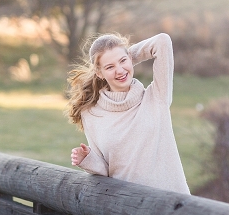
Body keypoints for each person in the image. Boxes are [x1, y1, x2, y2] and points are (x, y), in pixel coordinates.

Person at [66, 32, 190, 194]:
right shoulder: (90, 113)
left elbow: (162, 42)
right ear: (99, 73)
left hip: (174, 205)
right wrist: (88, 159)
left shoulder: (157, 97)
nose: (119, 70)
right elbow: (106, 169)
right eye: (109, 67)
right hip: (128, 207)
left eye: (122, 61)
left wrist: (127, 56)